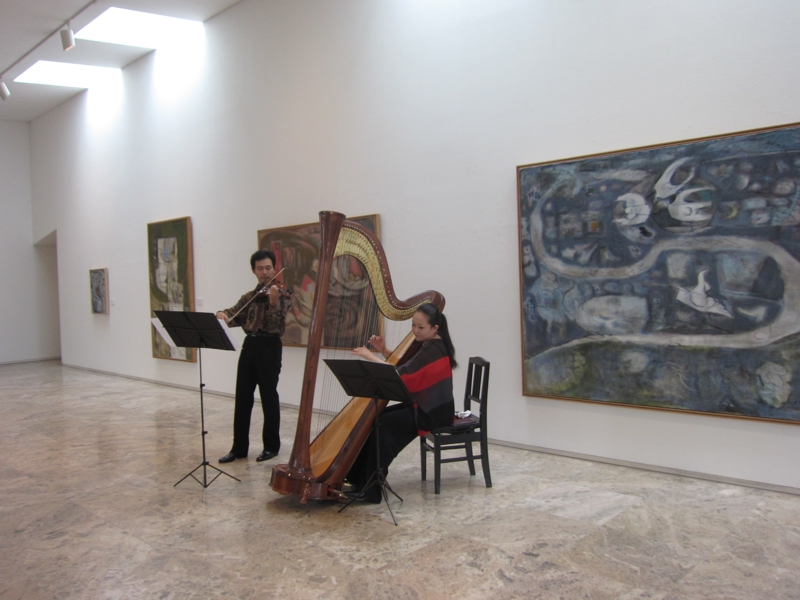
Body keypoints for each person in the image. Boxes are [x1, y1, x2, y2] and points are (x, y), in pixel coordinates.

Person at [346, 303, 457, 502]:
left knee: (384, 424)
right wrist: (383, 350)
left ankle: (371, 490)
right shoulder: (430, 344)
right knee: (379, 417)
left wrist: (369, 356)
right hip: (427, 405)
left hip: (433, 412)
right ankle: (358, 478)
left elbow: (399, 375)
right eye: (413, 325)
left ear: (435, 328)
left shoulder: (433, 350)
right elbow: (406, 366)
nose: (415, 330)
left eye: (420, 327)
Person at [216, 249, 291, 464]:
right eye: (260, 268)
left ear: (275, 269)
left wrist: (273, 303)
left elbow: (276, 323)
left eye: (268, 268)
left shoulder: (283, 295)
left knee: (268, 396)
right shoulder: (249, 297)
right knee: (242, 397)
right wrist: (222, 314)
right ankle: (239, 448)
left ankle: (271, 447)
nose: (265, 272)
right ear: (254, 271)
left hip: (270, 346)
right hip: (250, 345)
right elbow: (233, 314)